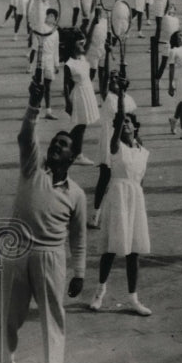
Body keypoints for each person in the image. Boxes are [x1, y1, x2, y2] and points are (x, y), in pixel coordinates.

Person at [0, 78, 86, 363]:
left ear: (72, 158)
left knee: (52, 320)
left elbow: (78, 237)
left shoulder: (76, 194)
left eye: (63, 145)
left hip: (50, 258)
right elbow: (24, 137)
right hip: (16, 252)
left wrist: (80, 272)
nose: (56, 147)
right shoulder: (32, 169)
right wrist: (33, 107)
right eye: (55, 143)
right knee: (8, 315)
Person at [89, 84, 152, 316]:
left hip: (135, 200)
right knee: (110, 249)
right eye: (121, 122)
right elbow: (118, 121)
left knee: (133, 251)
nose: (125, 124)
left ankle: (133, 299)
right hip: (117, 198)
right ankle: (99, 292)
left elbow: (140, 182)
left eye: (128, 122)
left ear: (135, 127)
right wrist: (122, 100)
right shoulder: (115, 147)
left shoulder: (144, 153)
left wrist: (140, 204)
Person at [89, 72, 137, 229]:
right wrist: (107, 52)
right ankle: (95, 214)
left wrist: (135, 140)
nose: (113, 80)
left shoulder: (129, 99)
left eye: (117, 78)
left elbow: (132, 122)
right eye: (111, 78)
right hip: (109, 137)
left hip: (124, 140)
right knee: (105, 176)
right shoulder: (107, 97)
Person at [62, 34, 99, 165]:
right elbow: (66, 84)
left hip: (87, 91)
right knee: (81, 124)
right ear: (73, 46)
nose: (82, 45)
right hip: (79, 94)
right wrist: (67, 102)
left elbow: (88, 38)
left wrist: (94, 21)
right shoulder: (69, 64)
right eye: (79, 43)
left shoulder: (83, 57)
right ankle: (78, 154)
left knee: (82, 124)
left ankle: (66, 147)